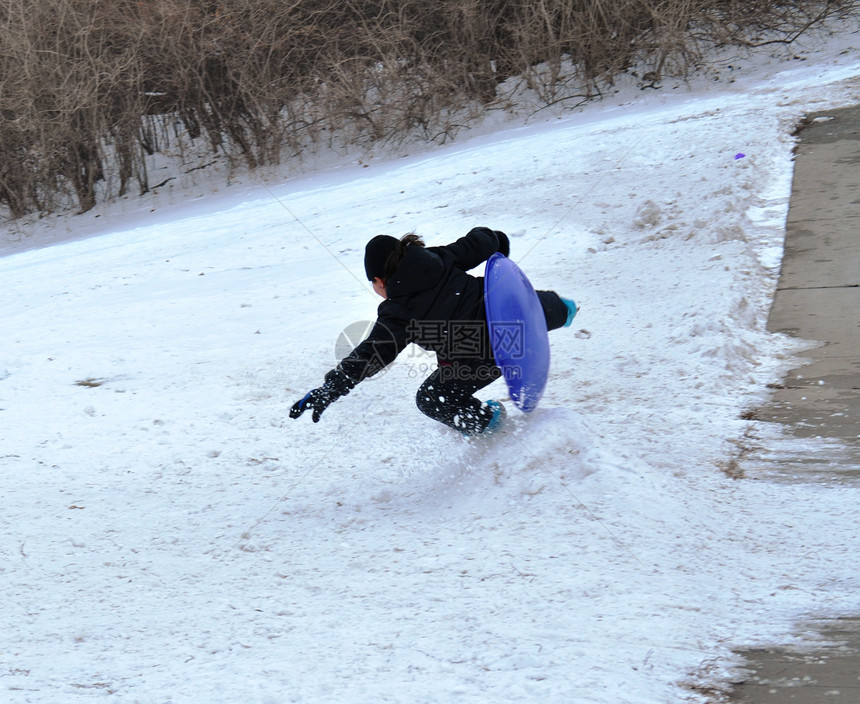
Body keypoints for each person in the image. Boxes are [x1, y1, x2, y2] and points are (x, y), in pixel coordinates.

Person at [290, 227, 577, 435]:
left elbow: (372, 353)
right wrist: (499, 244)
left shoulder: (398, 311)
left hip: (485, 359)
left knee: (431, 398)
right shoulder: (439, 258)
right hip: (512, 320)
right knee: (523, 304)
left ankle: (490, 424)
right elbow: (482, 241)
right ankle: (562, 310)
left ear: (379, 280)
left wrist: (330, 388)